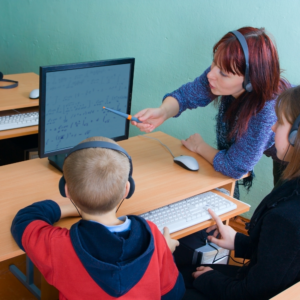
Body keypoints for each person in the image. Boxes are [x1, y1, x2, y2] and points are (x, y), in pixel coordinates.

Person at [11, 136, 185, 300]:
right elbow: (174, 293)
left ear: (66, 190)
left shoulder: (59, 246)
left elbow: (24, 221)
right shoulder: (152, 237)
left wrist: (63, 208)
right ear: (127, 189)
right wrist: (164, 253)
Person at [132, 27, 290, 198]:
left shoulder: (266, 110)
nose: (211, 75)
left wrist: (200, 146)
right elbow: (185, 96)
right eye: (214, 63)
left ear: (251, 80)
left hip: (294, 154)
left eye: (223, 73)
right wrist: (163, 112)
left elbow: (234, 167)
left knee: (282, 207)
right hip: (282, 149)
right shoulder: (219, 75)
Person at [181, 85, 300, 300]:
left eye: (280, 122)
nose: (272, 128)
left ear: (296, 136)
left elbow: (250, 294)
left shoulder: (288, 219)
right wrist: (238, 242)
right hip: (265, 284)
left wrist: (210, 279)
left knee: (175, 283)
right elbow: (283, 258)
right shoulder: (294, 185)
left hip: (249, 293)